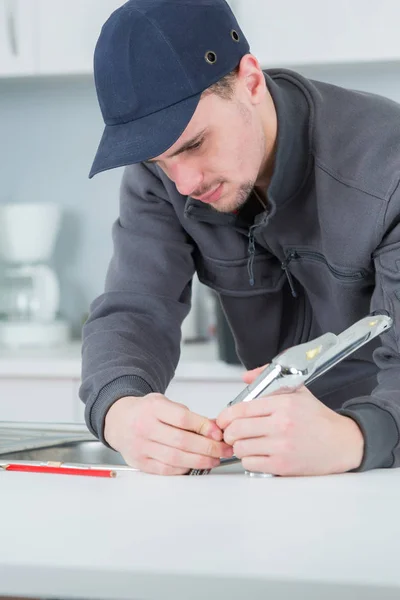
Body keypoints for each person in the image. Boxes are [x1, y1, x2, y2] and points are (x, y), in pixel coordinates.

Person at [80, 0, 400, 477]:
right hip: (279, 475)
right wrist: (122, 411)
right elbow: (134, 308)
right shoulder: (163, 175)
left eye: (193, 144)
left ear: (249, 81)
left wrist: (354, 438)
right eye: (160, 160)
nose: (183, 182)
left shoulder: (387, 163)